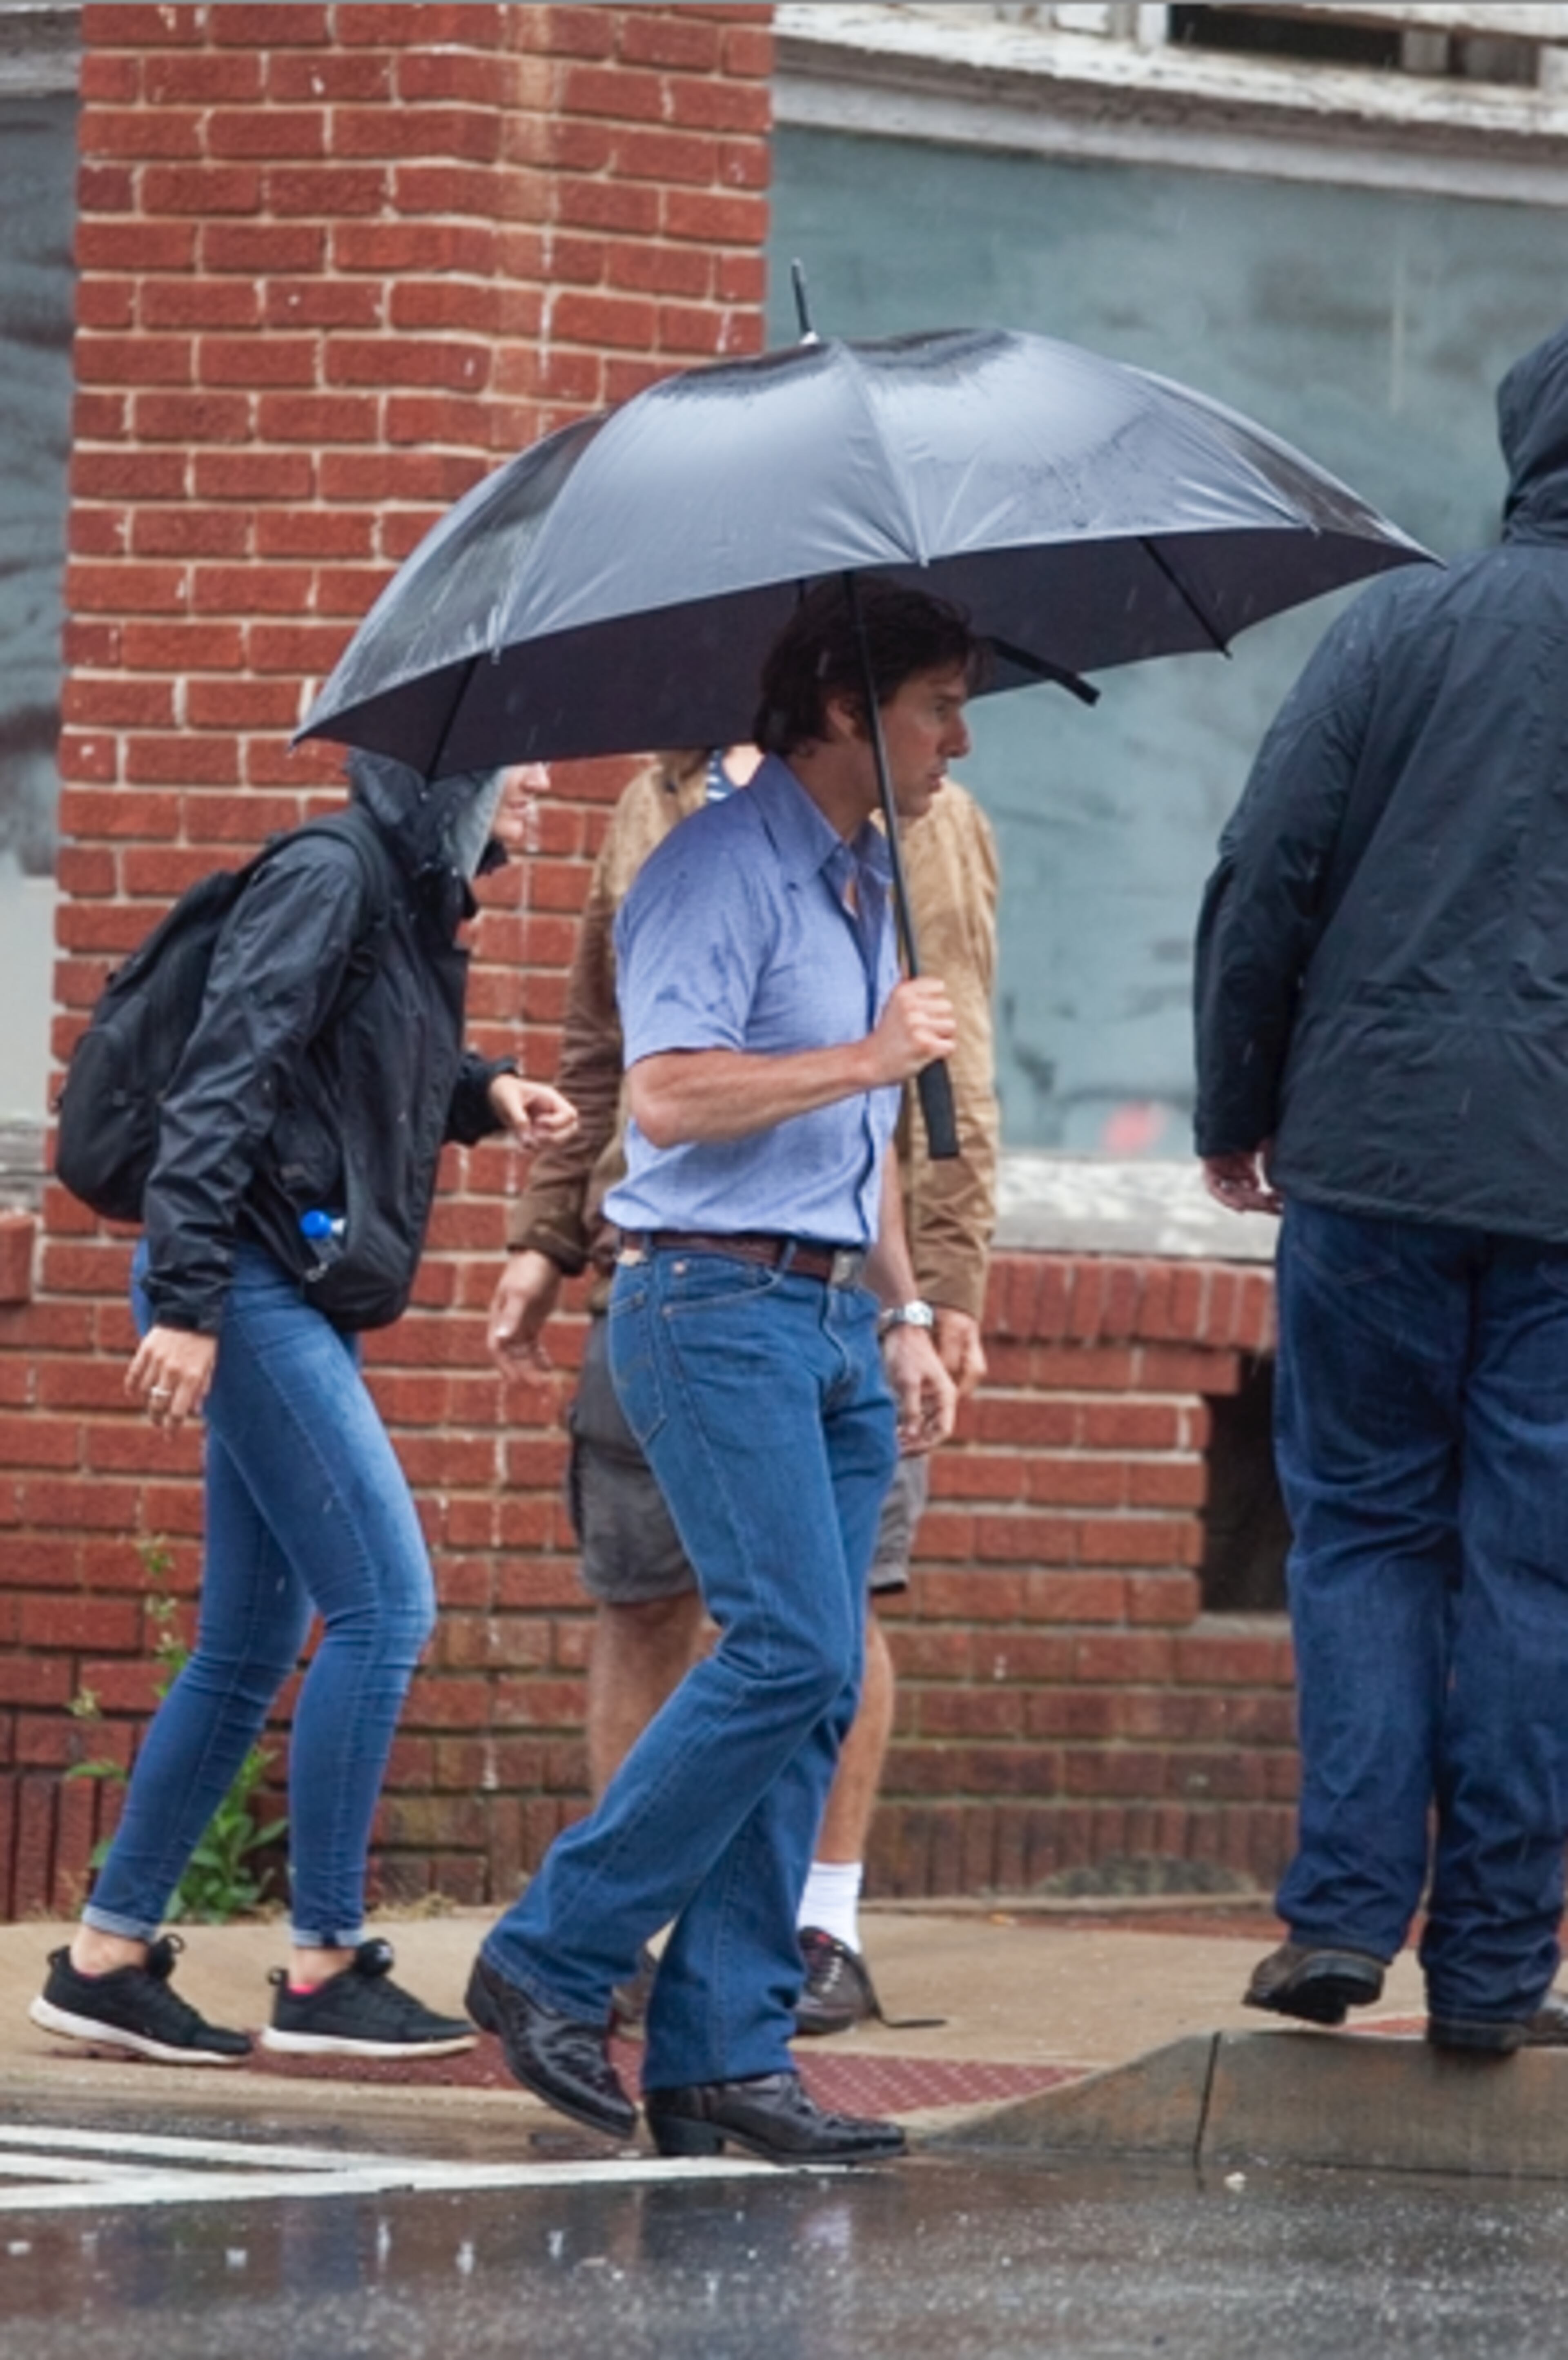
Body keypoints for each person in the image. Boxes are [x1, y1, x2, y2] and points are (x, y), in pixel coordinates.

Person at [467, 578, 977, 2162]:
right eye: (937, 704)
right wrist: (877, 1053)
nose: (960, 732)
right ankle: (550, 1952)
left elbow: (861, 1142)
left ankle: (722, 2052)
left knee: (814, 1674)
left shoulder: (864, 880)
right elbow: (675, 1098)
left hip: (826, 1314)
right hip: (708, 1304)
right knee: (783, 1644)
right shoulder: (709, 871)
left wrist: (903, 1311)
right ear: (843, 711)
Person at [31, 760, 576, 2066]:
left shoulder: (397, 896)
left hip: (277, 1277)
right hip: (245, 1280)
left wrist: (483, 1089)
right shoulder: (334, 876)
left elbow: (346, 1071)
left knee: (251, 1637)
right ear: (449, 782)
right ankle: (326, 1965)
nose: (544, 782)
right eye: (517, 766)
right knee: (385, 1603)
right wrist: (190, 1299)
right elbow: (226, 1074)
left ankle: (107, 1954)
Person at [1194, 316, 1568, 2055]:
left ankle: (1343, 1911)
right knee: (1536, 1569)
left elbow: (1270, 863)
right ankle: (1494, 1966)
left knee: (1361, 1533)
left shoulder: (1400, 626)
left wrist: (1235, 1099)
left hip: (1372, 1151)